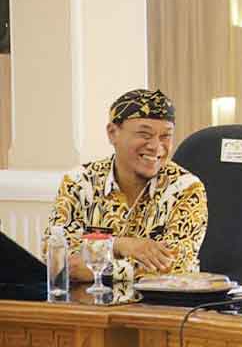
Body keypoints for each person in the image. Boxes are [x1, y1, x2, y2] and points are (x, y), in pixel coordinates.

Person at [44, 88, 208, 282]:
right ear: (113, 133)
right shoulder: (80, 181)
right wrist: (119, 245)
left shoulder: (186, 189)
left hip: (161, 300)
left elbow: (176, 265)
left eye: (166, 136)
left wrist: (98, 270)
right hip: (87, 298)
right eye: (145, 134)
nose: (156, 146)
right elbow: (53, 251)